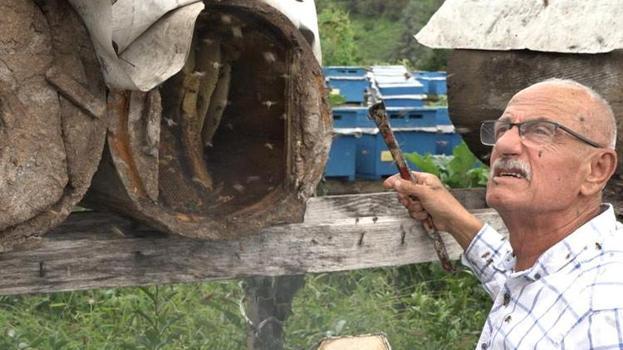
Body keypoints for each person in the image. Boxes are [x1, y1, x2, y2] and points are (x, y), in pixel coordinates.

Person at [384, 79, 621, 349]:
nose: (505, 144)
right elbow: (522, 282)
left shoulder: (606, 309)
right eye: (503, 129)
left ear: (597, 170)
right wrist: (451, 217)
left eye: (541, 131)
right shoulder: (555, 264)